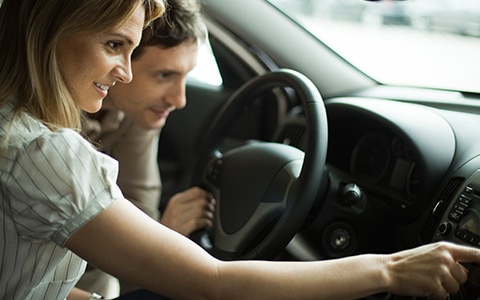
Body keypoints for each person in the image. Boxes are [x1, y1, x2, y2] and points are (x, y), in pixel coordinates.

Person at [1, 0, 480, 300]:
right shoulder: (44, 154)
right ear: (48, 31)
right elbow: (212, 283)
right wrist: (391, 268)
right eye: (113, 44)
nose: (124, 72)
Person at [76, 0, 214, 296]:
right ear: (115, 53)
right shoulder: (45, 131)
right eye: (164, 75)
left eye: (186, 75)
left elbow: (139, 201)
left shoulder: (137, 112)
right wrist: (160, 241)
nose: (179, 100)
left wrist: (161, 236)